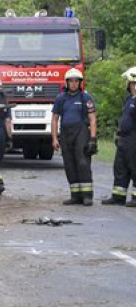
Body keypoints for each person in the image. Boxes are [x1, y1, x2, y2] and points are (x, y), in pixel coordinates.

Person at [51, 68, 97, 206]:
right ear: (66, 82)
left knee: (83, 163)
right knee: (69, 165)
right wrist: (54, 138)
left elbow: (92, 119)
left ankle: (87, 196)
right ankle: (75, 196)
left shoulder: (85, 98)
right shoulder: (61, 98)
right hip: (65, 135)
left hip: (81, 133)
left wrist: (93, 139)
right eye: (71, 81)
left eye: (76, 81)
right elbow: (54, 119)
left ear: (80, 82)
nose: (73, 83)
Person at [102, 67, 136, 206]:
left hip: (134, 138)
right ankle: (118, 196)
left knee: (134, 166)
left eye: (130, 82)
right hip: (124, 138)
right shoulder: (129, 99)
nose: (128, 85)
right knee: (120, 166)